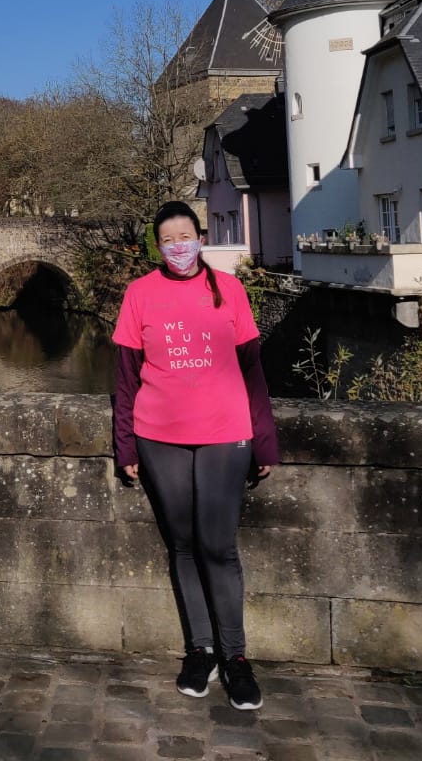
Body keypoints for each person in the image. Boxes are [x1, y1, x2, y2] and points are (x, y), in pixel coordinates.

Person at [111, 200, 279, 712]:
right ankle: (200, 651)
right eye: (168, 239)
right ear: (158, 246)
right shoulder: (139, 294)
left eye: (186, 235)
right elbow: (123, 376)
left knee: (218, 547)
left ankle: (236, 658)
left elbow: (251, 368)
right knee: (182, 545)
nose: (179, 245)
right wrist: (125, 444)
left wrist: (264, 436)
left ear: (200, 237)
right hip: (159, 435)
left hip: (226, 434)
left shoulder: (229, 289)